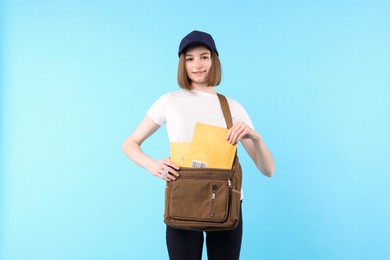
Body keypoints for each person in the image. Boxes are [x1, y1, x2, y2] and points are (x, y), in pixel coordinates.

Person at [122, 30, 275, 260]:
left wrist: (256, 137)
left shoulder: (232, 107)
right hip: (184, 199)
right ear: (182, 64)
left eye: (204, 56)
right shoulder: (169, 101)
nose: (198, 64)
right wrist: (152, 165)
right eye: (189, 58)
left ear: (214, 60)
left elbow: (268, 170)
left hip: (225, 203)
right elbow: (130, 143)